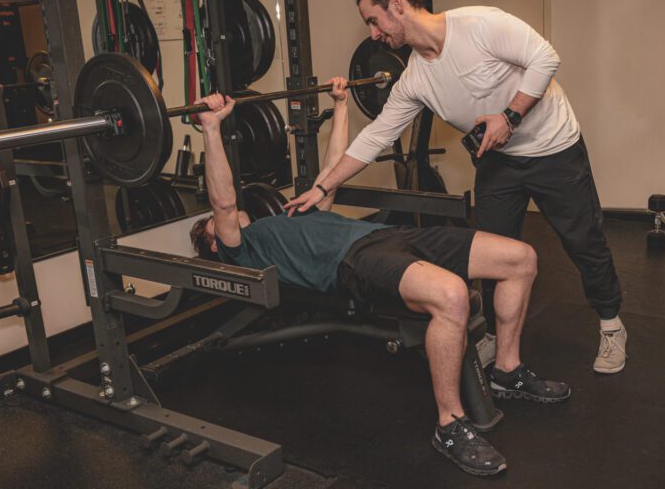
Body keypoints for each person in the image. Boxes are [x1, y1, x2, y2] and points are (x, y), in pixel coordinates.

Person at [190, 80, 570, 476]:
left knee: (520, 258)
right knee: (452, 295)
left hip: (388, 236)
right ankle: (451, 426)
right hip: (353, 260)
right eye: (214, 225)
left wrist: (340, 105)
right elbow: (224, 200)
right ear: (216, 245)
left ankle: (507, 371)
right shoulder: (243, 247)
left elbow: (333, 166)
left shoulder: (290, 214)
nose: (225, 221)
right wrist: (213, 128)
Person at [287, 0, 628, 374]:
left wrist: (509, 117)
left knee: (583, 241)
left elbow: (545, 58)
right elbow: (376, 136)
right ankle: (490, 339)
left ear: (397, 5)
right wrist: (324, 187)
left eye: (373, 21)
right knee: (489, 251)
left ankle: (611, 324)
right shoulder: (414, 79)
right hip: (498, 161)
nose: (373, 34)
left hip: (554, 148)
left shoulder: (479, 25)